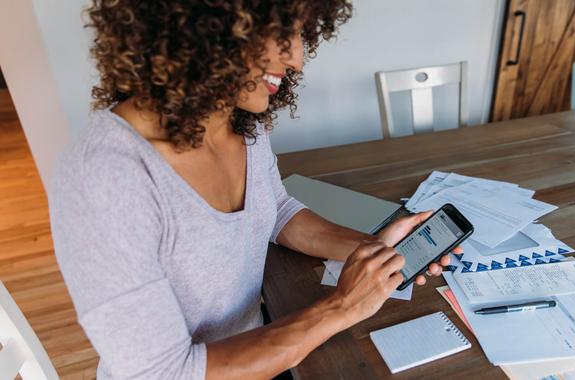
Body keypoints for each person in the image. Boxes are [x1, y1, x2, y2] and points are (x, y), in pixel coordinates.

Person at [48, 1, 461, 379]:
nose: (297, 58)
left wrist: (371, 248)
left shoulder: (238, 121)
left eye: (301, 33)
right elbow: (164, 374)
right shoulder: (102, 179)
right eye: (279, 31)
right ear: (201, 24)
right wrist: (343, 306)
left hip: (264, 349)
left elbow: (276, 210)